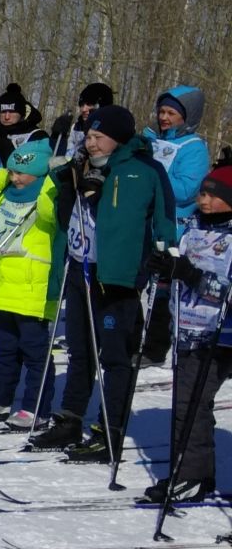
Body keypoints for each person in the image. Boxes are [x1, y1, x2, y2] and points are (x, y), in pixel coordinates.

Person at [33, 105, 177, 464]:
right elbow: (59, 195)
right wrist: (67, 175)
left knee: (114, 356)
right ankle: (70, 417)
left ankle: (109, 430)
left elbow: (165, 216)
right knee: (80, 350)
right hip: (82, 266)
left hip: (119, 275)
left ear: (119, 138)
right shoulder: (81, 166)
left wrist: (166, 254)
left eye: (99, 137)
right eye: (90, 137)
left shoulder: (143, 169)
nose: (92, 143)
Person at [0, 137, 63, 430]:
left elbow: (49, 209)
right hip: (2, 283)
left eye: (22, 173)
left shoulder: (46, 196)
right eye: (12, 172)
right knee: (5, 347)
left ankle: (37, 407)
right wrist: (7, 168)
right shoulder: (6, 194)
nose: (15, 178)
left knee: (34, 352)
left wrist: (50, 175)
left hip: (33, 287)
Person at [144, 167, 232, 503]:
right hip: (190, 329)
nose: (204, 200)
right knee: (188, 405)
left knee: (192, 403)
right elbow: (182, 268)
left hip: (221, 334)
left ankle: (194, 474)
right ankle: (193, 475)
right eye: (202, 193)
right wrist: (165, 268)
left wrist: (191, 275)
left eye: (214, 194)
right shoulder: (193, 227)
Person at [139, 85, 211, 367]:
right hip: (143, 224)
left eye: (171, 113)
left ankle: (155, 347)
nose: (164, 117)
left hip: (173, 227)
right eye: (162, 111)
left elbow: (185, 189)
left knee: (163, 289)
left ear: (187, 116)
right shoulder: (150, 139)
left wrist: (154, 175)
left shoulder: (193, 147)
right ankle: (130, 338)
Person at [49, 82, 113, 160]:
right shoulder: (76, 127)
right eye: (81, 104)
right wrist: (57, 137)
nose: (83, 109)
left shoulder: (112, 131)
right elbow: (66, 157)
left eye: (90, 104)